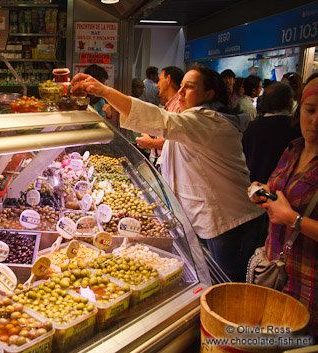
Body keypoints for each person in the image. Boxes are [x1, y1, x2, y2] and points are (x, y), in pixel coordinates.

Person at [72, 64, 266, 282]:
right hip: (215, 219)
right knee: (216, 280)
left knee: (230, 287)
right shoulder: (195, 119)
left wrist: (104, 91)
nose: (180, 92)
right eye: (181, 86)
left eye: (189, 87)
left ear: (209, 94)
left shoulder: (209, 122)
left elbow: (159, 120)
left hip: (232, 222)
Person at [249, 73, 318, 339]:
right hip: (276, 274)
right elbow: (279, 192)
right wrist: (262, 191)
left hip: (310, 287)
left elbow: (290, 213)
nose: (315, 121)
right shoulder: (294, 149)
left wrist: (292, 218)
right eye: (310, 110)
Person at [243, 82, 302, 184]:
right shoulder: (297, 128)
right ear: (290, 102)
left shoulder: (250, 128)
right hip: (284, 189)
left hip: (254, 187)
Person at [136, 66, 184, 168]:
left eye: (159, 80)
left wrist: (151, 142)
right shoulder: (169, 106)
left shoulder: (180, 106)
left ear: (169, 79)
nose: (157, 85)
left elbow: (176, 142)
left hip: (169, 164)